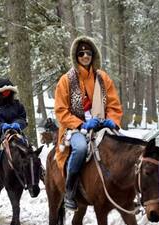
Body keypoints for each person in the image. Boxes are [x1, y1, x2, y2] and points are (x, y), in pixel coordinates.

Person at [54, 36, 123, 210]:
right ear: (75, 56)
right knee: (81, 148)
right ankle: (70, 191)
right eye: (81, 53)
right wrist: (81, 125)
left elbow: (114, 104)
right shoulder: (66, 80)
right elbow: (61, 111)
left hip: (101, 124)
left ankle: (123, 189)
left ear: (94, 55)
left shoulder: (103, 78)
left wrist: (112, 121)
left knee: (122, 147)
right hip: (74, 128)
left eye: (89, 53)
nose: (85, 56)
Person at [0, 78, 27, 191]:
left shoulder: (18, 105)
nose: (6, 94)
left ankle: (40, 171)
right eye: (3, 92)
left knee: (29, 148)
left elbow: (23, 118)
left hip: (15, 133)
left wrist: (17, 124)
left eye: (8, 91)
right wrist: (1, 126)